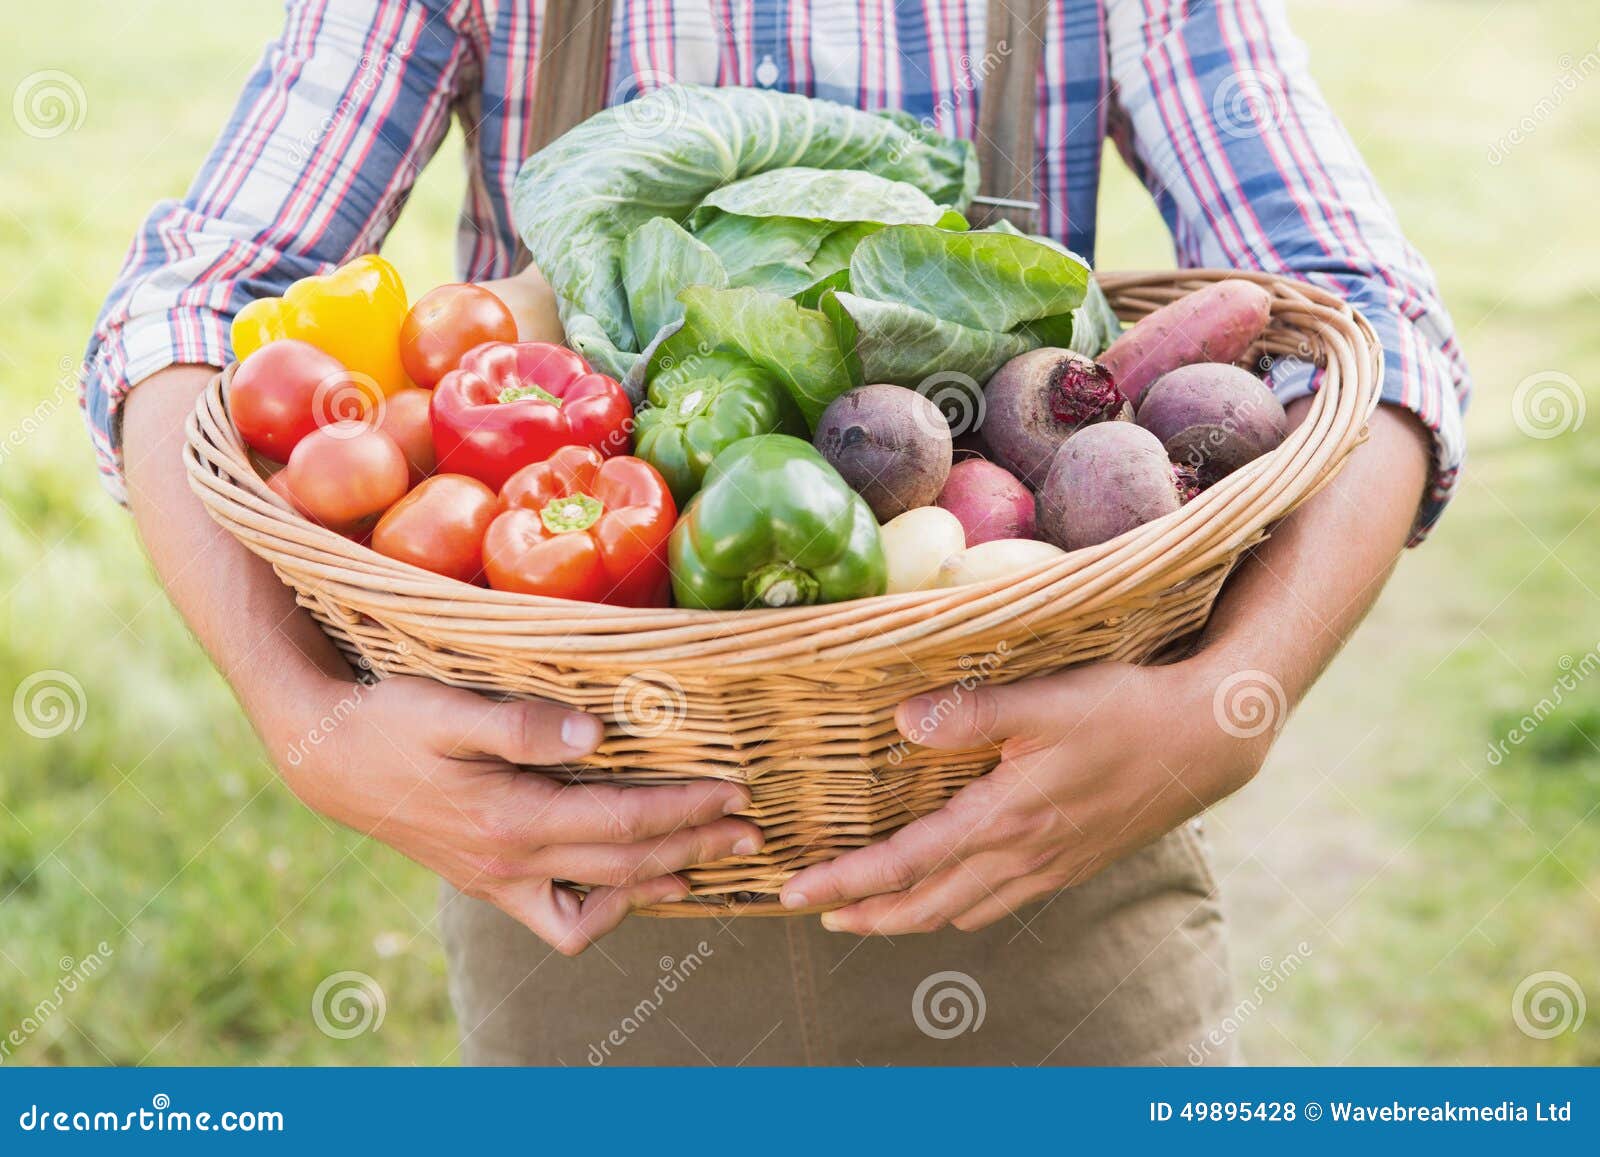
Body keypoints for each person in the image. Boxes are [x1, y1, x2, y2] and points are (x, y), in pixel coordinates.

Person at [83, 0, 1468, 1066]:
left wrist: (1237, 703)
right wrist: (301, 719)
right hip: (590, 881)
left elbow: (1369, 319)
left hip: (1051, 852)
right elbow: (189, 310)